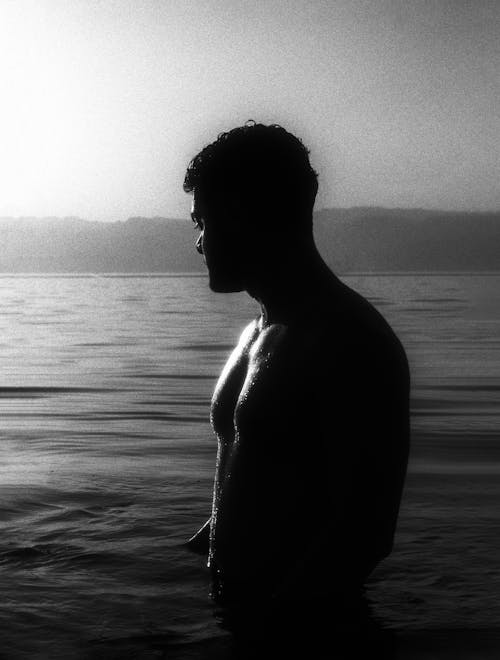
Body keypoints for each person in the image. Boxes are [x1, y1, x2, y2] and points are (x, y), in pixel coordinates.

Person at [183, 122, 410, 656]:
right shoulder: (254, 334)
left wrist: (270, 631)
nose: (197, 242)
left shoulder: (350, 340)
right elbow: (260, 479)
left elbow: (366, 532)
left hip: (307, 634)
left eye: (203, 221)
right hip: (238, 613)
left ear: (243, 212)